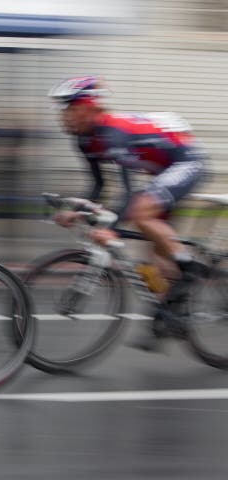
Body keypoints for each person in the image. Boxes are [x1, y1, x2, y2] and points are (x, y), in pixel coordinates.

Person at [47, 76, 208, 347]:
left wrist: (109, 228)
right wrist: (77, 211)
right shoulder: (85, 141)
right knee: (154, 254)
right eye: (63, 111)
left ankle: (191, 267)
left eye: (70, 110)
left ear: (89, 107)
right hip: (162, 172)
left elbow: (129, 192)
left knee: (141, 212)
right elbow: (99, 185)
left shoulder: (112, 133)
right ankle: (171, 315)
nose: (65, 117)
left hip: (186, 162)